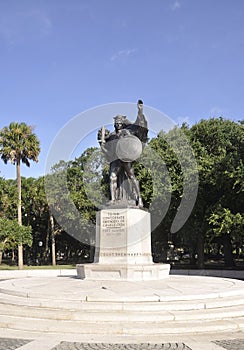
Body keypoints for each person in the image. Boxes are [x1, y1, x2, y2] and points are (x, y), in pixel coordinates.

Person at [98, 100, 148, 207]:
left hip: (125, 158)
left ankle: (139, 198)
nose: (118, 124)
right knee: (112, 177)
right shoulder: (111, 135)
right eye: (116, 123)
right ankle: (113, 199)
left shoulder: (127, 132)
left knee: (131, 176)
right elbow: (107, 150)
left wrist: (140, 111)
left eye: (120, 123)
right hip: (115, 159)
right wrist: (102, 144)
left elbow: (138, 124)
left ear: (123, 123)